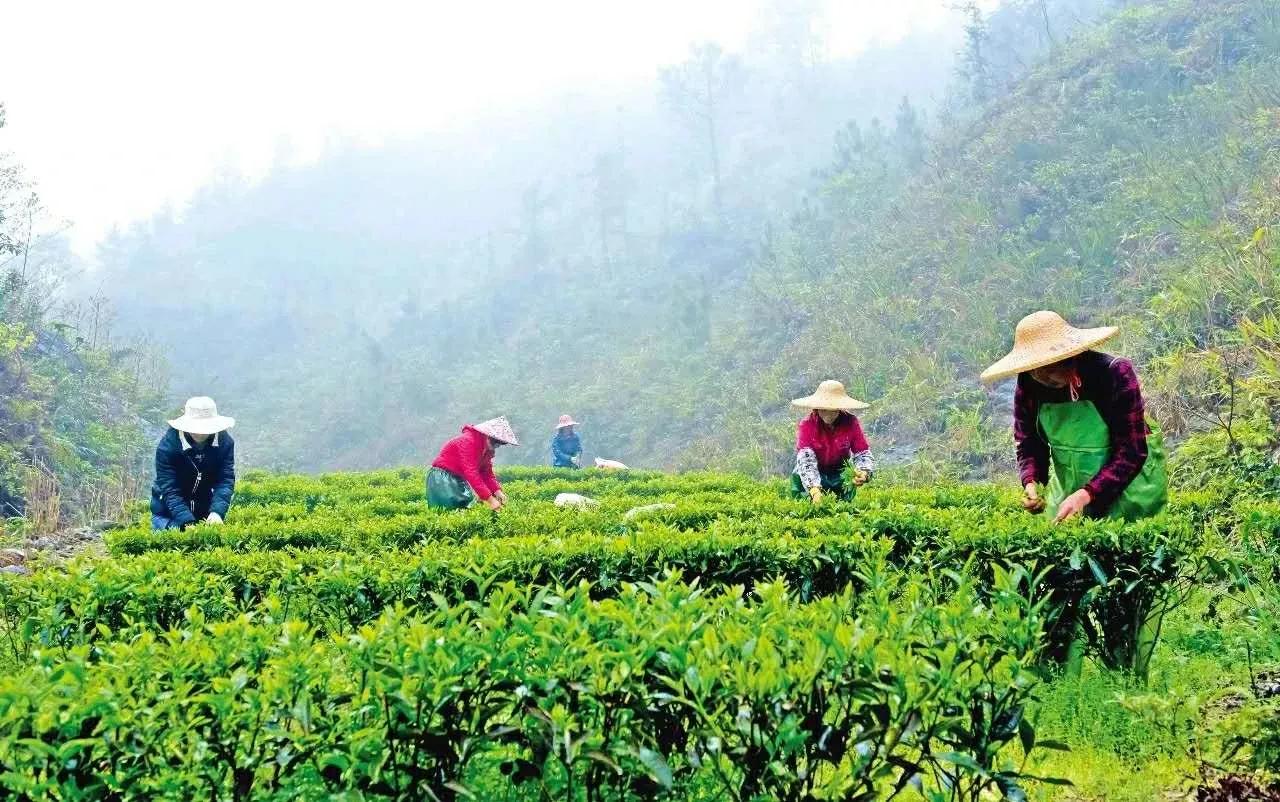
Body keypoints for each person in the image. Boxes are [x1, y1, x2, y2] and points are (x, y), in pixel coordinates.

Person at [981, 310, 1168, 523]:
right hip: (1071, 489)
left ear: (1071, 354)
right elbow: (1029, 443)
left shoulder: (1113, 374)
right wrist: (1032, 483)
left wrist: (1087, 494)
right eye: (1038, 369)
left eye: (1054, 365)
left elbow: (1132, 451)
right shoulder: (1028, 383)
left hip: (1131, 487)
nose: (1047, 375)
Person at [150, 396, 236, 530]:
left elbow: (225, 480)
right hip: (167, 513)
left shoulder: (225, 443)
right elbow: (169, 488)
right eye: (195, 428)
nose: (200, 434)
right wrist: (186, 521)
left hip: (203, 512)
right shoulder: (168, 446)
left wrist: (217, 512)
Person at [790, 380, 875, 503]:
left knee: (841, 504)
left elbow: (862, 452)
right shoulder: (807, 425)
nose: (828, 414)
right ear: (817, 408)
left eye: (833, 410)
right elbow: (806, 459)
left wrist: (864, 472)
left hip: (839, 471)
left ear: (839, 409)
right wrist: (814, 490)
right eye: (824, 409)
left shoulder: (851, 422)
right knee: (802, 484)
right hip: (814, 469)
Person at [428, 416, 520, 510]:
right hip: (442, 477)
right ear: (487, 435)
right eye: (495, 442)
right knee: (450, 509)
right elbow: (471, 473)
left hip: (458, 478)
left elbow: (486, 473)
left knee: (464, 507)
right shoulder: (468, 441)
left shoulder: (487, 450)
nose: (496, 446)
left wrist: (497, 491)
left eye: (499, 444)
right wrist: (490, 500)